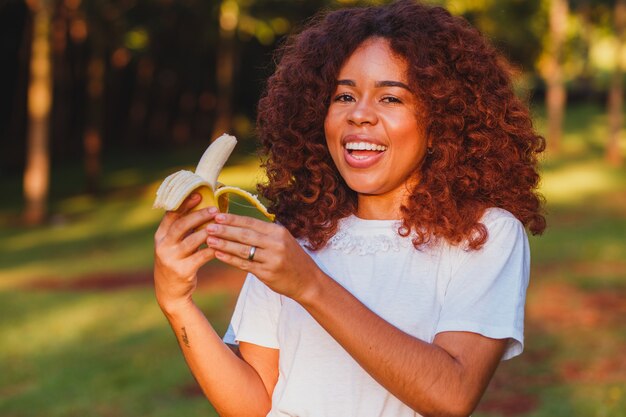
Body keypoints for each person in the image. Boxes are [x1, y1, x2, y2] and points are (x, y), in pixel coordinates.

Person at [153, 1, 546, 416]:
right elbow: (253, 404)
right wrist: (177, 304)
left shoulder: (483, 235)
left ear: (443, 120)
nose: (359, 114)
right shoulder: (296, 235)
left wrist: (309, 285)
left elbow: (451, 394)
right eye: (344, 95)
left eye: (390, 98)